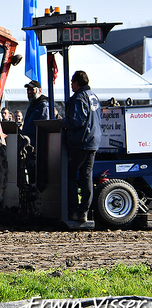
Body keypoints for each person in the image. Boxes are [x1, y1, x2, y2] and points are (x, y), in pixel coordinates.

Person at [61, 70, 102, 223]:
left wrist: (62, 122)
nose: (71, 85)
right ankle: (84, 212)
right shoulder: (93, 96)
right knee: (86, 177)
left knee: (70, 175)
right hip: (93, 141)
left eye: (72, 82)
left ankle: (72, 211)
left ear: (77, 83)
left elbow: (76, 121)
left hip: (80, 142)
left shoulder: (79, 98)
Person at [21, 80, 49, 146]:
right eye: (28, 90)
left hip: (36, 144)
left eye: (32, 90)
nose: (29, 92)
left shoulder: (43, 106)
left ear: (39, 90)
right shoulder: (32, 105)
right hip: (28, 142)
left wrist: (37, 145)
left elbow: (44, 127)